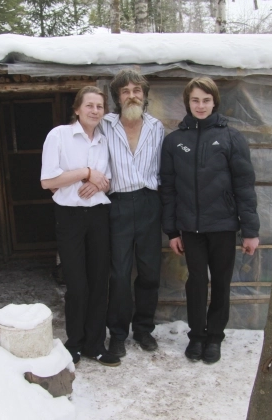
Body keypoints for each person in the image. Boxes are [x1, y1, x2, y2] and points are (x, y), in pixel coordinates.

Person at [160, 77, 260, 364]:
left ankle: (215, 337)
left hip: (223, 226)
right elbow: (168, 188)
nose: (200, 105)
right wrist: (172, 231)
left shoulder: (231, 138)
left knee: (220, 282)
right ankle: (197, 336)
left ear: (214, 101)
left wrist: (250, 231)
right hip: (190, 229)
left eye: (206, 100)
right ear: (187, 102)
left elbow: (244, 186)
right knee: (196, 282)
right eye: (195, 100)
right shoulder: (174, 141)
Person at [40, 86, 120, 367]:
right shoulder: (59, 135)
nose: (95, 110)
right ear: (77, 109)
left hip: (98, 214)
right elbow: (48, 181)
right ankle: (73, 344)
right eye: (89, 105)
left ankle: (95, 345)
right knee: (77, 284)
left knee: (100, 282)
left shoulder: (105, 140)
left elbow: (108, 179)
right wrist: (86, 174)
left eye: (100, 106)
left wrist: (96, 181)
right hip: (70, 216)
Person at [102, 69, 165, 357]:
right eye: (125, 91)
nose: (131, 95)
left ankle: (143, 329)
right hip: (117, 205)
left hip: (150, 202)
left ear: (144, 94)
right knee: (119, 274)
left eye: (136, 90)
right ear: (117, 96)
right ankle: (117, 333)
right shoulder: (104, 125)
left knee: (150, 272)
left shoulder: (157, 127)